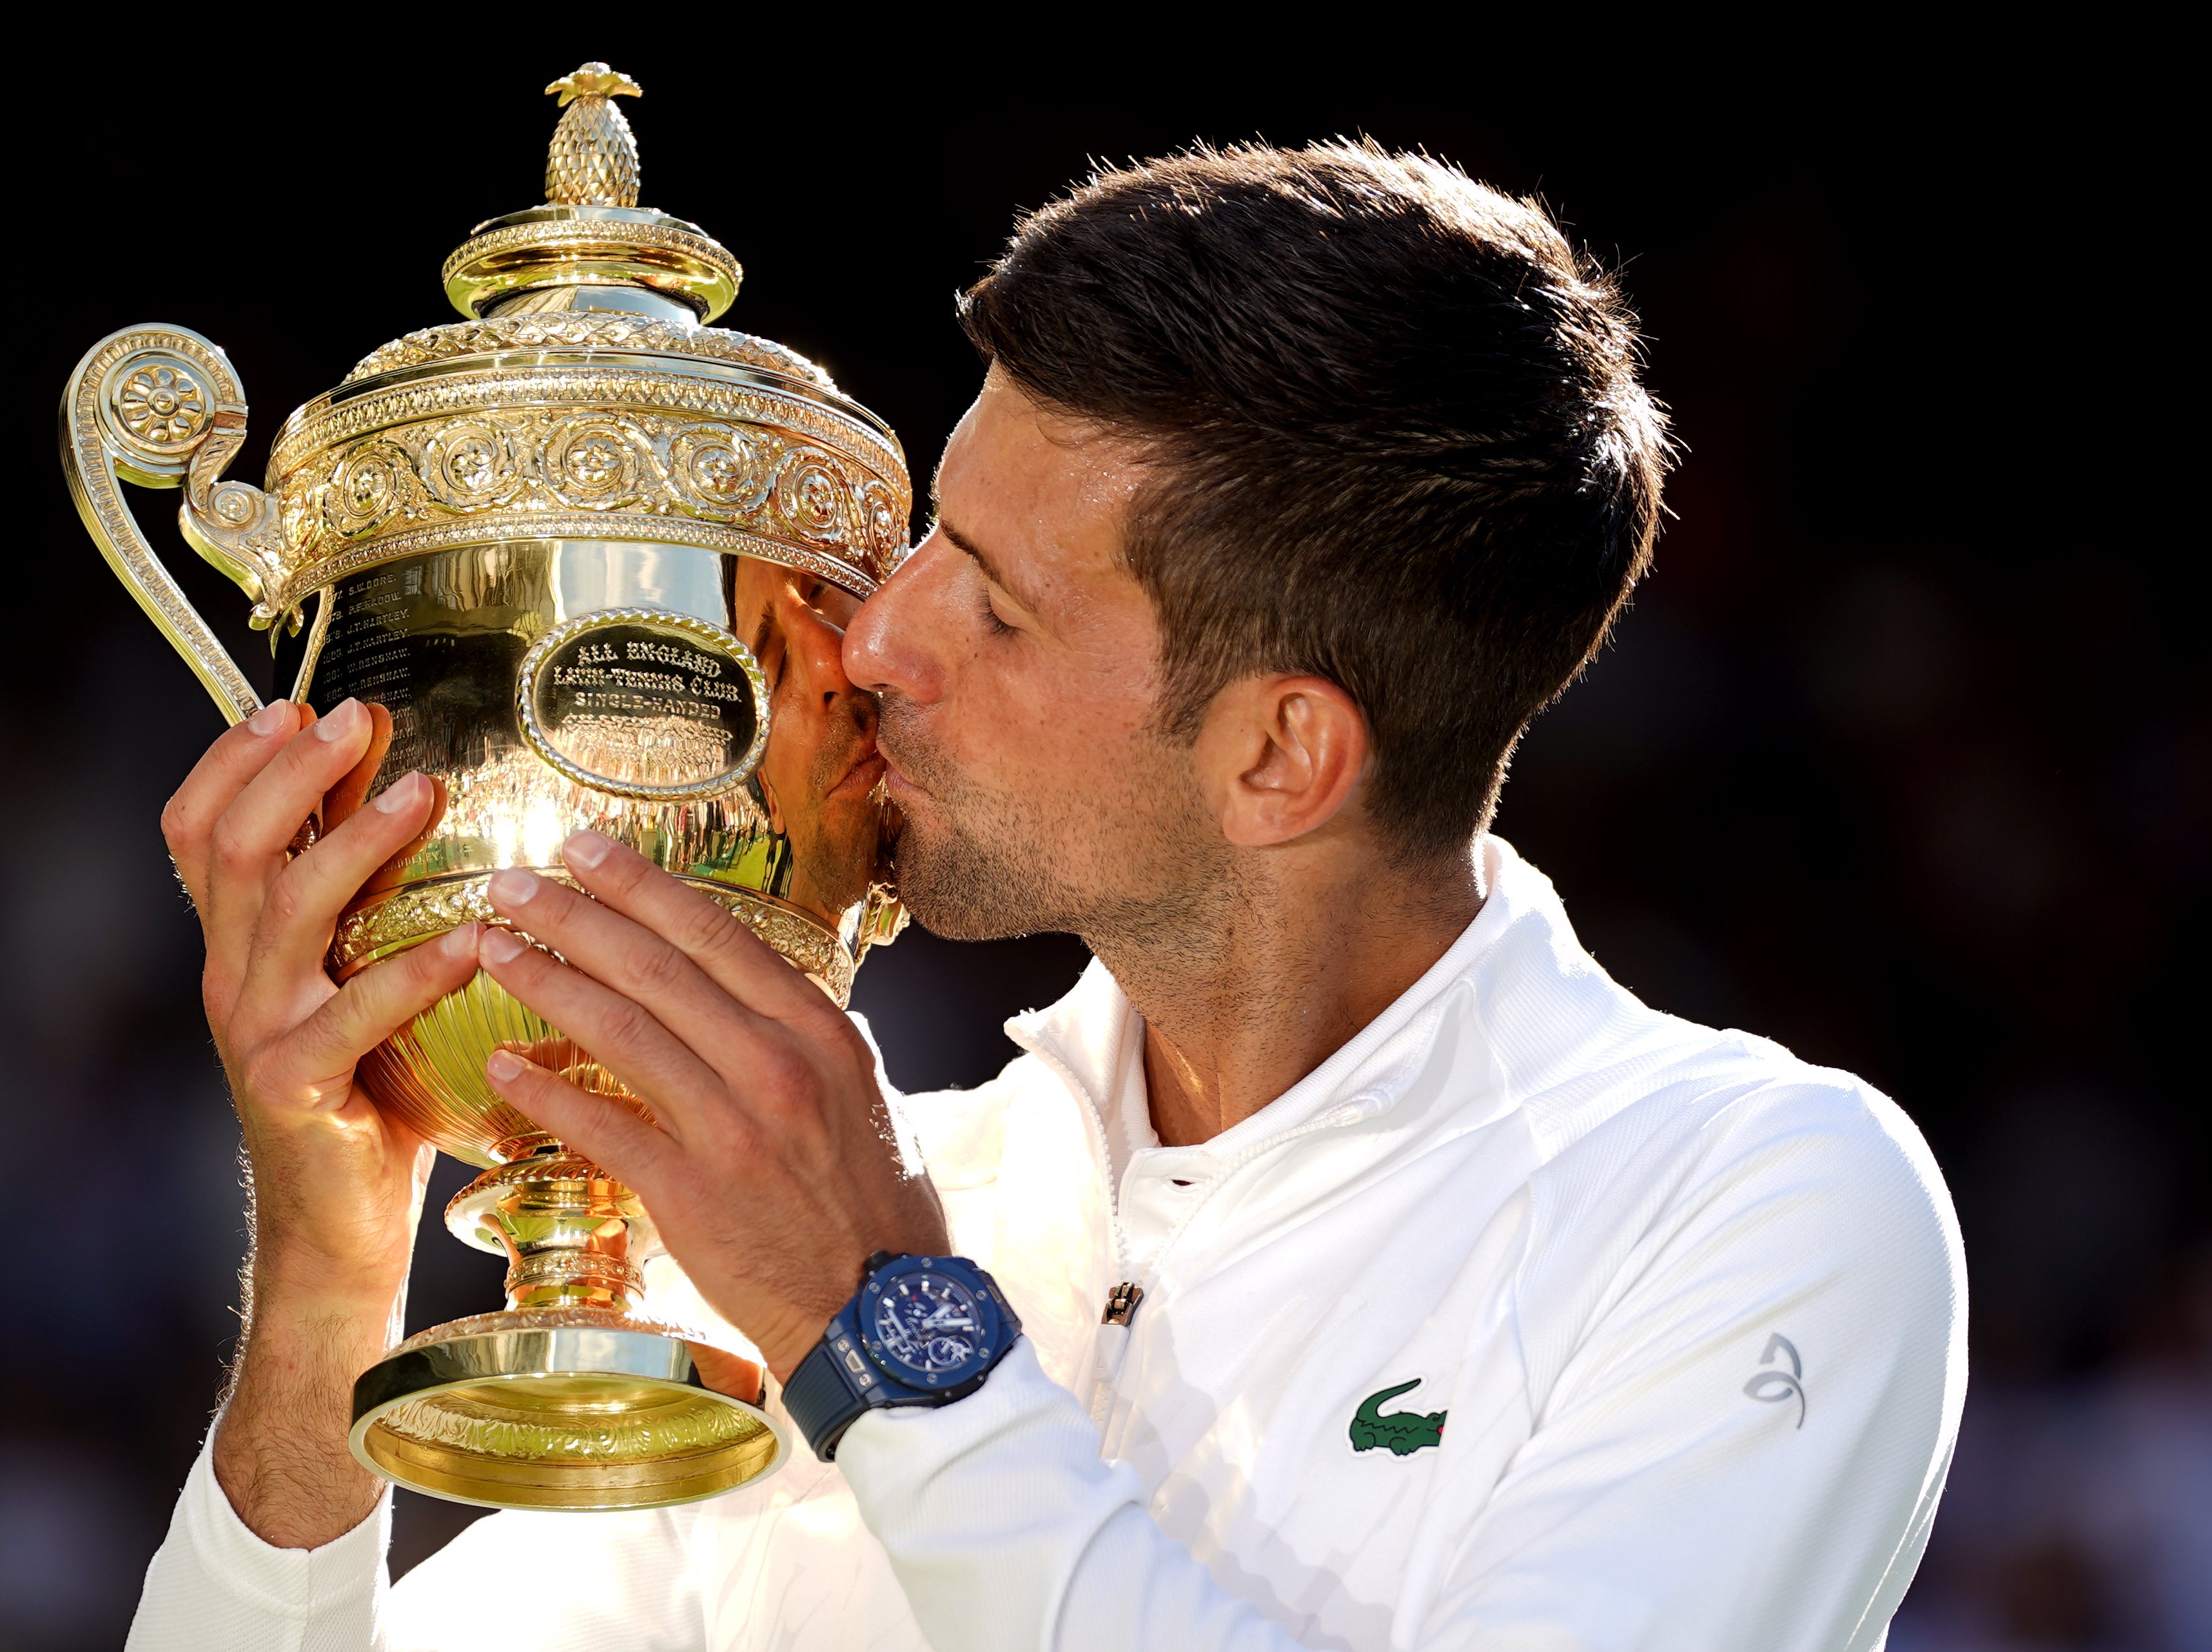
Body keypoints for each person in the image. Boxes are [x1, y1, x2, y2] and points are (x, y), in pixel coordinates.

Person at [127, 141, 1965, 1651]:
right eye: (923, 530)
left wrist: (885, 1332)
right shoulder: (856, 1216)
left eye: (991, 601)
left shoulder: (1753, 1201)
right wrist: (322, 1292)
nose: (877, 636)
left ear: (1277, 758)